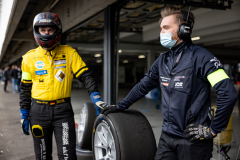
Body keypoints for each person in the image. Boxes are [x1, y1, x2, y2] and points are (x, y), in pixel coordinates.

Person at [102, 6, 237, 160]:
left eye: (166, 27)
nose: (162, 33)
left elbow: (228, 94)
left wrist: (212, 130)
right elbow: (143, 86)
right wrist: (120, 106)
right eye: (161, 28)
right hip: (167, 138)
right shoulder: (162, 61)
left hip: (192, 140)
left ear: (184, 29)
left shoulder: (201, 57)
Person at [19, 12, 107, 160]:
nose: (46, 33)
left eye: (50, 30)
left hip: (63, 112)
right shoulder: (28, 58)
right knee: (42, 155)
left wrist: (95, 96)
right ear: (37, 31)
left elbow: (85, 75)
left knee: (67, 156)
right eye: (42, 30)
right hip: (38, 113)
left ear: (57, 30)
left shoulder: (69, 53)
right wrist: (24, 114)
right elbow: (25, 88)